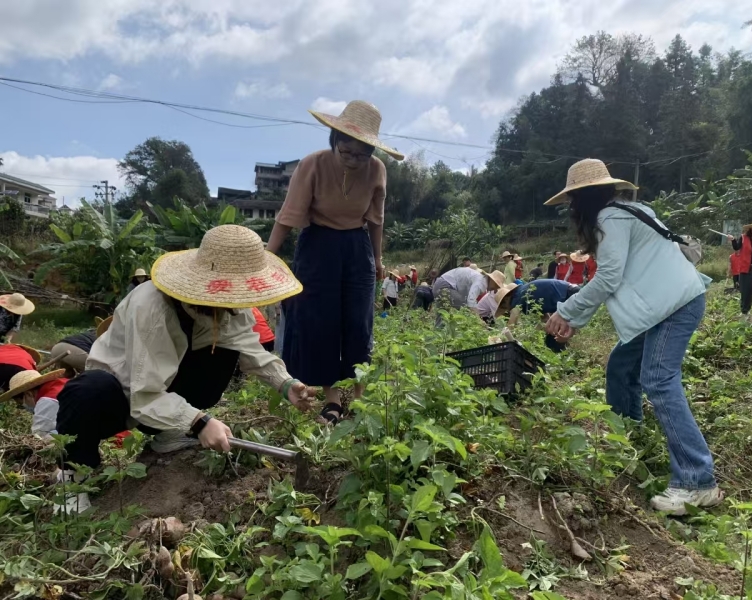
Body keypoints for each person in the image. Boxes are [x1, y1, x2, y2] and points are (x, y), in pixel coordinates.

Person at [54, 225, 317, 514]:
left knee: (225, 351)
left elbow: (250, 349)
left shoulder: (230, 306)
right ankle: (73, 476)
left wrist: (285, 383)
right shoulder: (151, 308)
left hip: (165, 392)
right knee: (87, 391)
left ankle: (169, 433)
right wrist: (199, 422)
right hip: (121, 394)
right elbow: (144, 393)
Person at [543, 158, 721, 516]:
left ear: (582, 198)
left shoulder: (610, 219)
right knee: (621, 367)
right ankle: (627, 442)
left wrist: (565, 311)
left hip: (674, 306)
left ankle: (697, 480)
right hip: (665, 305)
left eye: (573, 202)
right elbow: (620, 280)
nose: (572, 210)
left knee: (658, 378)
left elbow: (609, 278)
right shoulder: (629, 211)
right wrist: (575, 318)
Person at [266, 100, 401, 425]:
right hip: (317, 246)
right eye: (347, 152)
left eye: (362, 154)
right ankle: (332, 400)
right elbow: (289, 213)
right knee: (321, 324)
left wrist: (378, 258)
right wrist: (269, 255)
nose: (354, 160)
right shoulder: (312, 164)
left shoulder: (377, 170)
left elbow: (376, 219)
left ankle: (358, 399)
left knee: (358, 323)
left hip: (356, 247)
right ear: (334, 141)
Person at [494, 279, 580, 352]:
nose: (507, 309)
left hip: (570, 295)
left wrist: (502, 340)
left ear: (507, 299)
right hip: (572, 290)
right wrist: (531, 336)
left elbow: (511, 325)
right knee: (554, 334)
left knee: (559, 337)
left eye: (505, 306)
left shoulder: (517, 299)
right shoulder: (527, 293)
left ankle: (569, 354)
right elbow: (545, 318)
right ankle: (566, 353)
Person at [0, 369, 67, 438]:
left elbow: (39, 435)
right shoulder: (63, 383)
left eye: (22, 404)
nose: (25, 408)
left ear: (28, 394)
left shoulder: (47, 401)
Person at [433, 268, 504, 316]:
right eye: (496, 286)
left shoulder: (479, 279)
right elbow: (470, 301)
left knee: (442, 315)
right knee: (465, 308)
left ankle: (439, 333)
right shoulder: (481, 283)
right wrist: (479, 320)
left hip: (440, 285)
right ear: (492, 280)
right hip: (444, 286)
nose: (495, 290)